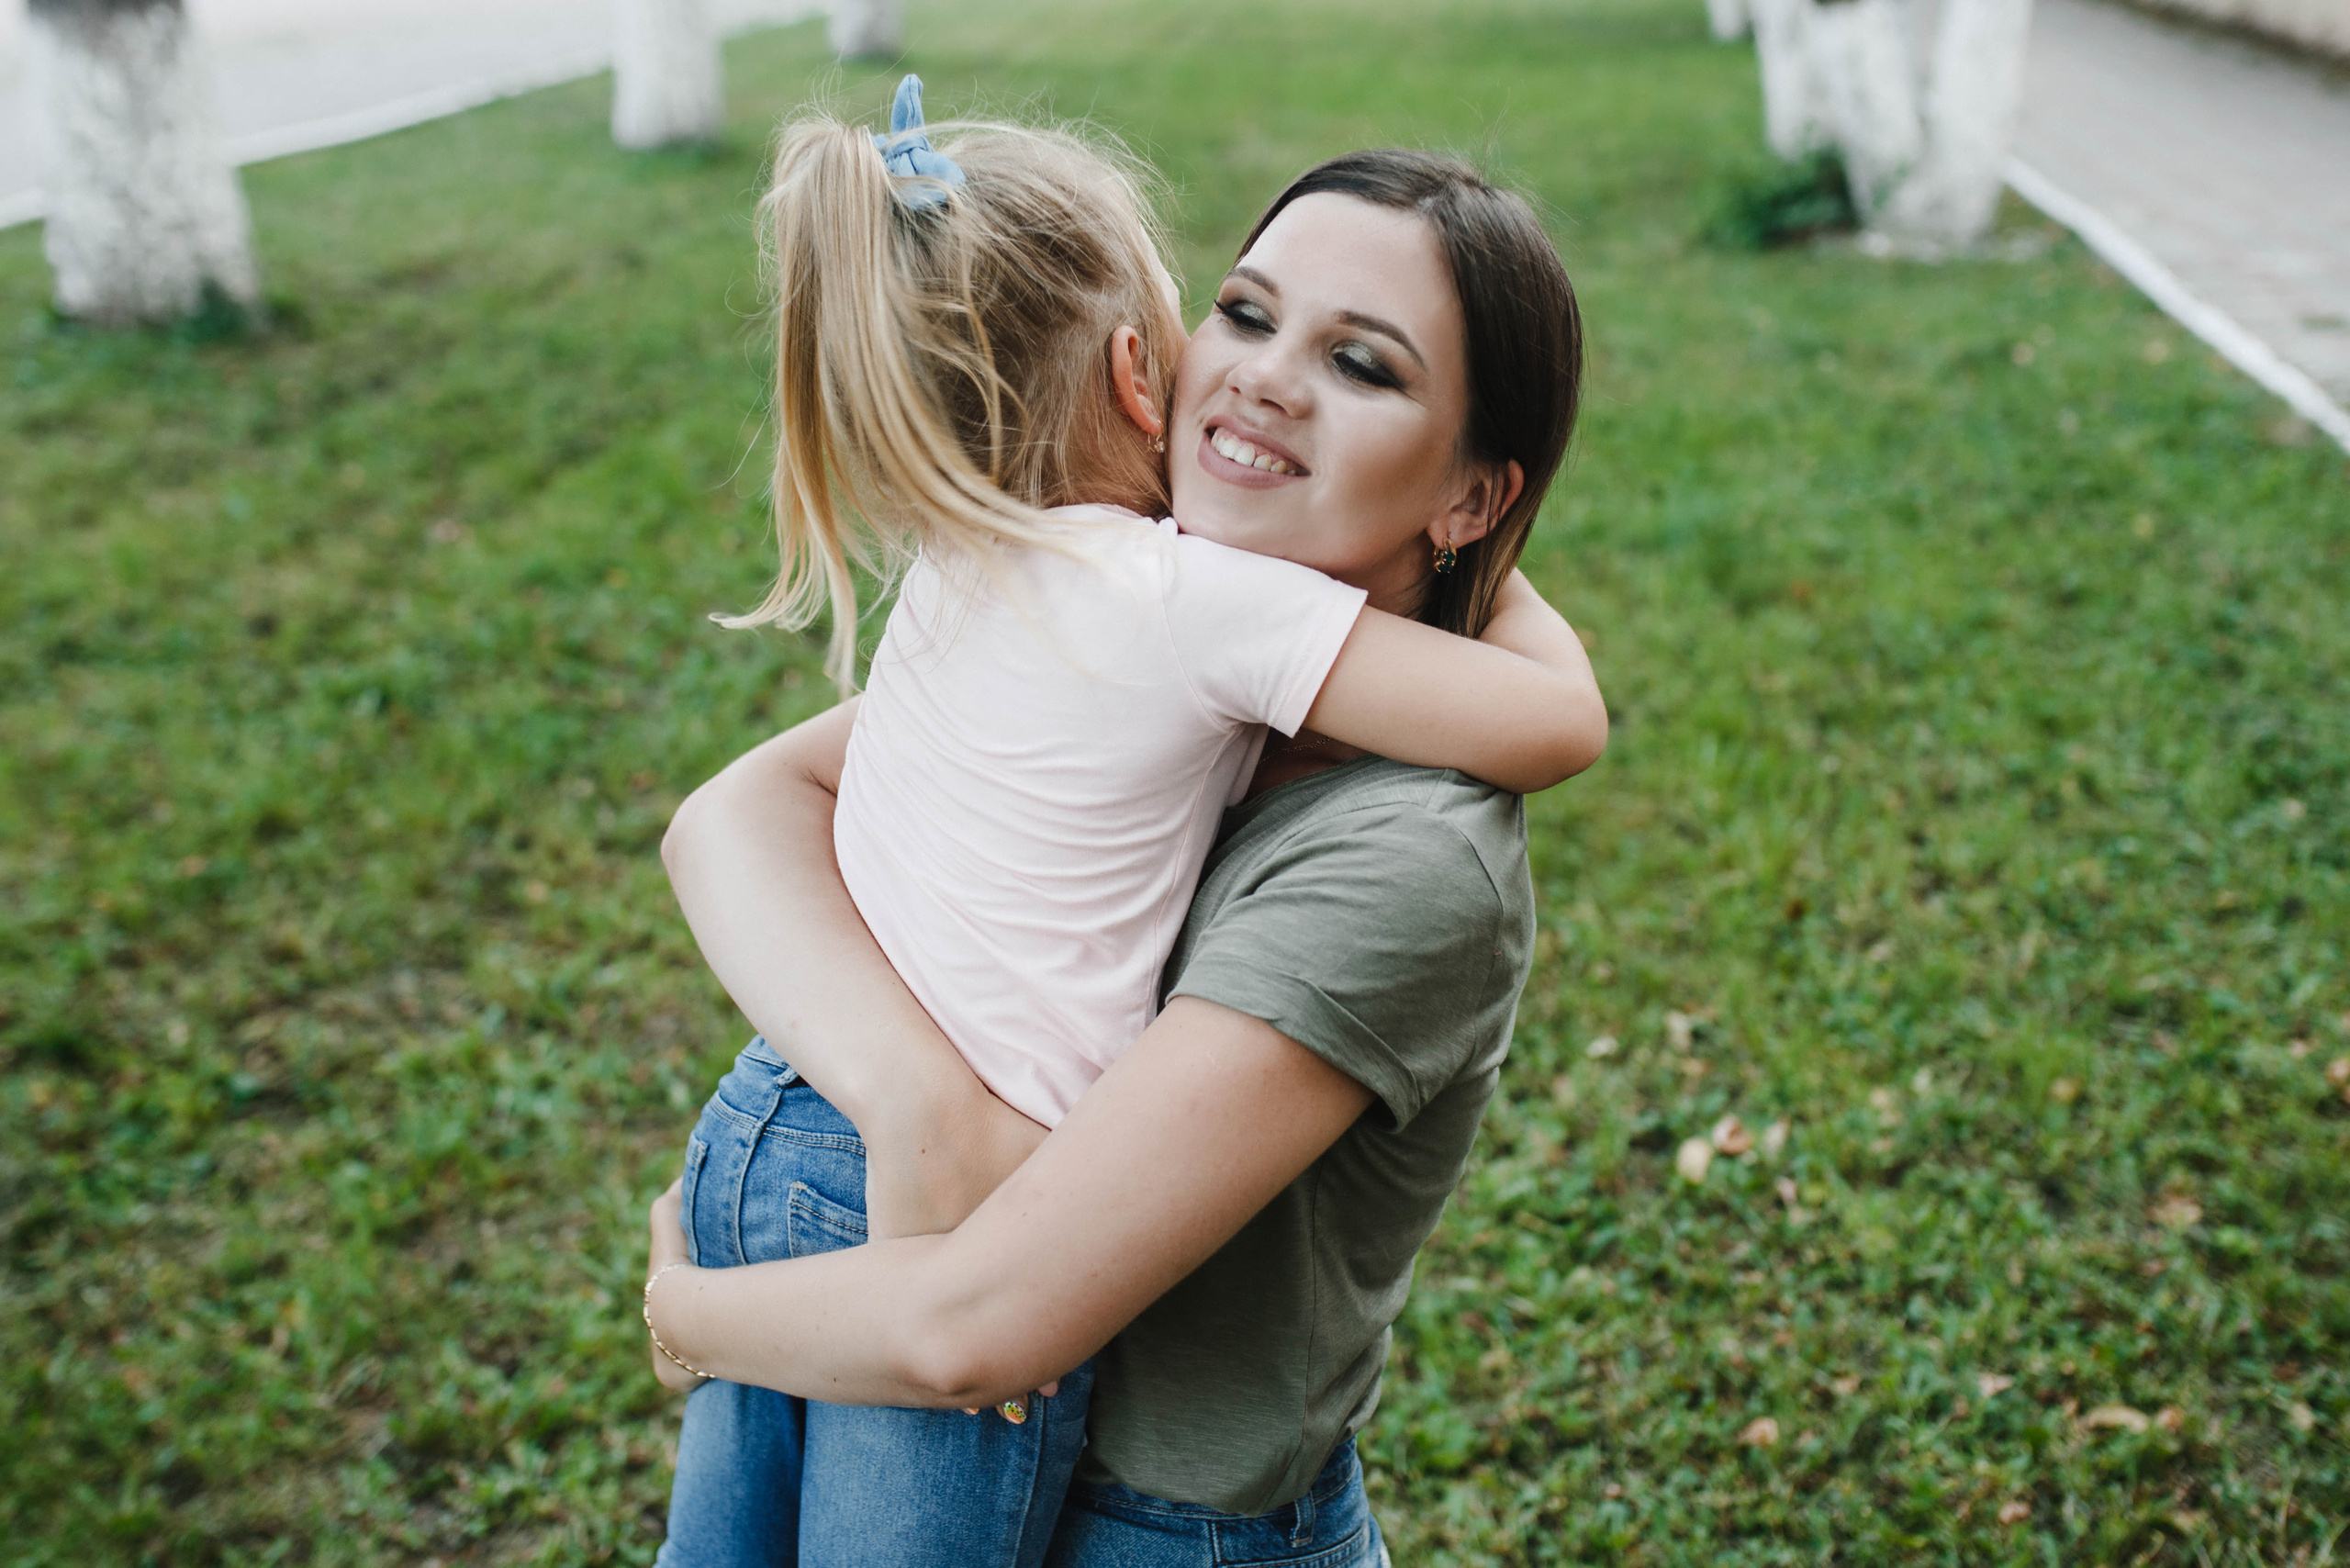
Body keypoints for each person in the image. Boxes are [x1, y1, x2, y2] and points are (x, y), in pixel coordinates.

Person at [648, 84, 1600, 1568]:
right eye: (1245, 314)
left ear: (1475, 495)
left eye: (1359, 363)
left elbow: (978, 1325)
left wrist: (688, 1316)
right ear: (1150, 363)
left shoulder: (1400, 850)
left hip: (1139, 1508)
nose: (1264, 380)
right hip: (886, 1265)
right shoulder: (1125, 636)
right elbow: (732, 814)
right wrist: (915, 1099)